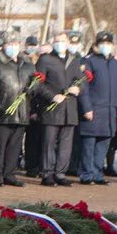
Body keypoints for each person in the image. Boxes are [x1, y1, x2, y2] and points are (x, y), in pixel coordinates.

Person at [34, 31, 81, 187]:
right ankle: (47, 173)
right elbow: (37, 84)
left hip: (70, 108)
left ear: (68, 43)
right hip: (52, 108)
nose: (60, 43)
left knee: (66, 143)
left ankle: (60, 173)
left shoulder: (74, 60)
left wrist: (78, 88)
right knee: (49, 142)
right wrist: (52, 96)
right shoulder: (46, 59)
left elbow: (80, 80)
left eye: (62, 41)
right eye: (57, 41)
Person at [0, 33, 35, 187]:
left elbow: (34, 85)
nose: (14, 46)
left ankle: (9, 173)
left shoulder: (26, 64)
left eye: (16, 43)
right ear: (4, 45)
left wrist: (33, 88)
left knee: (15, 146)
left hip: (21, 111)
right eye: (10, 44)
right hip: (3, 111)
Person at [78, 31, 117, 185]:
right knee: (89, 145)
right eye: (103, 44)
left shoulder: (115, 64)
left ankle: (97, 173)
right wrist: (86, 108)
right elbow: (83, 87)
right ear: (96, 45)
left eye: (108, 44)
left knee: (103, 145)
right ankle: (86, 174)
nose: (106, 46)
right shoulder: (89, 62)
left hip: (110, 112)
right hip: (94, 110)